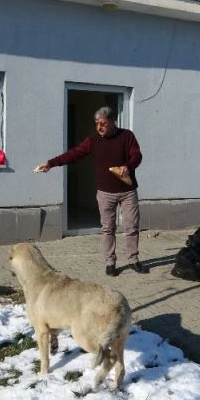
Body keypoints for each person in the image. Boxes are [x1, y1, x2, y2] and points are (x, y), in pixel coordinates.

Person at [34, 106, 148, 277]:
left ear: (112, 121)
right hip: (105, 192)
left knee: (131, 227)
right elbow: (74, 154)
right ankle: (110, 262)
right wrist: (51, 163)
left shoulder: (127, 136)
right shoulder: (93, 140)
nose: (99, 127)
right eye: (96, 124)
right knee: (108, 228)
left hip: (128, 191)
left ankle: (133, 260)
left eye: (103, 123)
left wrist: (128, 166)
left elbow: (136, 155)